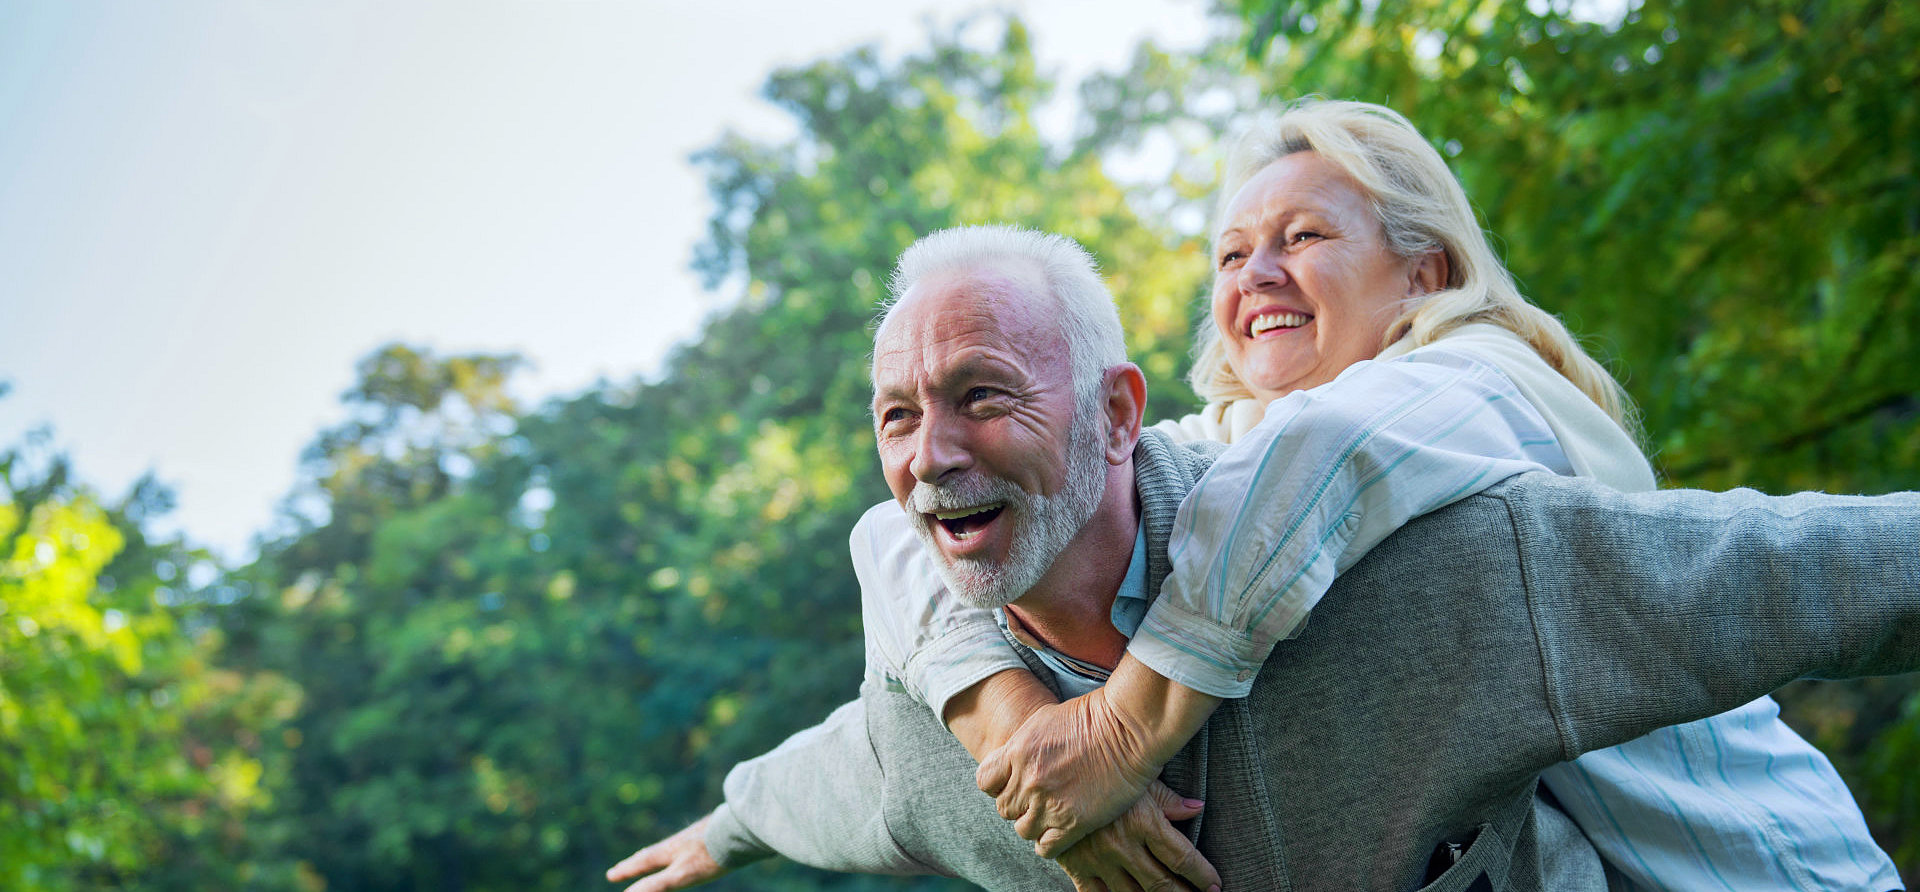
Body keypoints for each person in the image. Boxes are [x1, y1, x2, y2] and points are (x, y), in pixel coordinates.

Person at [608, 224, 1920, 892]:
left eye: (982, 395)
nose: (930, 454)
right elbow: (833, 779)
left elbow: (1777, 569)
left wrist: (1123, 736)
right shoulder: (939, 737)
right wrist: (728, 823)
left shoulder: (1421, 579)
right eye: (898, 414)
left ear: (1120, 414)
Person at [854, 102, 1900, 890]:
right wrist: (1009, 726)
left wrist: (1118, 739)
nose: (1256, 272)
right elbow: (902, 531)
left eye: (1302, 237)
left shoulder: (1487, 381)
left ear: (1424, 272)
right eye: (1231, 252)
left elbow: (1330, 454)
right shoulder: (1246, 448)